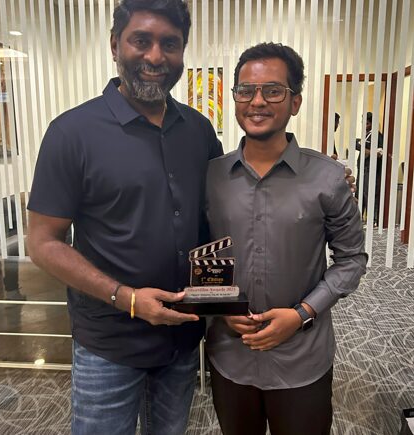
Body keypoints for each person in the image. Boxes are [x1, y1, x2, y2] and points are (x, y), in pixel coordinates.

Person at [26, 1, 222, 434]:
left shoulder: (199, 130)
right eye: (141, 40)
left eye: (170, 44)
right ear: (115, 45)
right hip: (108, 344)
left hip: (182, 339)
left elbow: (222, 209)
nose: (155, 56)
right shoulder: (71, 133)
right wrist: (126, 297)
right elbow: (42, 243)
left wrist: (317, 173)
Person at [204, 42, 367, 435]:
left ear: (295, 102)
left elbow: (352, 259)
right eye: (246, 90)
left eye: (273, 91)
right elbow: (198, 254)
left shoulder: (328, 178)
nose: (257, 101)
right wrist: (219, 308)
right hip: (230, 355)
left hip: (302, 359)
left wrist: (302, 314)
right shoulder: (210, 177)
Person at [355, 111, 384, 225]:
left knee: (369, 194)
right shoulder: (366, 135)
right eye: (363, 123)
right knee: (360, 194)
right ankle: (358, 219)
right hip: (362, 170)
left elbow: (379, 153)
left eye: (367, 123)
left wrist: (362, 148)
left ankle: (372, 221)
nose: (364, 126)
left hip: (370, 171)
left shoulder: (377, 136)